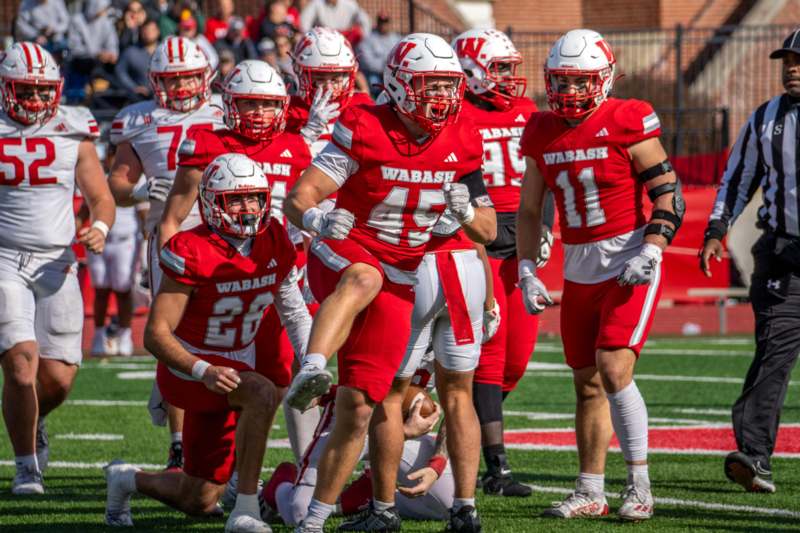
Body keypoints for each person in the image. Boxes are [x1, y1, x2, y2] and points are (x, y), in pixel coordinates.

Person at [284, 32, 497, 532]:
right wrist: (317, 222)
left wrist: (466, 211)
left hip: (401, 275)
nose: (441, 98)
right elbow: (300, 196)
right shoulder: (364, 124)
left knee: (361, 405)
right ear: (399, 86)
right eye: (429, 86)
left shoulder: (462, 135)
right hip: (344, 248)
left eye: (448, 86)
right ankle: (311, 366)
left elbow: (488, 230)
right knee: (363, 275)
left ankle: (315, 520)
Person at [517, 29, 683, 521]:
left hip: (630, 259)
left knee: (612, 368)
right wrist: (527, 268)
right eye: (562, 83)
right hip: (579, 266)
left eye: (580, 82)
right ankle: (590, 489)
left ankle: (639, 486)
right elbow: (530, 209)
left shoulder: (628, 119)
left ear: (605, 79)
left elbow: (668, 196)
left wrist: (652, 249)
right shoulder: (542, 129)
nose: (568, 93)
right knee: (586, 382)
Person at [104, 153, 312, 533]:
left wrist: (312, 361)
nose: (247, 207)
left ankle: (127, 479)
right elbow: (156, 334)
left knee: (198, 497)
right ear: (211, 202)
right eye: (236, 199)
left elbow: (294, 311)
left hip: (237, 363)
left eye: (254, 197)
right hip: (191, 368)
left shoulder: (275, 237)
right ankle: (246, 509)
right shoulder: (190, 249)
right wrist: (203, 370)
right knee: (262, 392)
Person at [158, 59, 313, 462]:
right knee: (213, 363)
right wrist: (167, 276)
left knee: (278, 377)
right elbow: (173, 218)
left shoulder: (295, 145)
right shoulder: (206, 142)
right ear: (228, 105)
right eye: (248, 104)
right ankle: (185, 429)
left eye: (266, 105)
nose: (258, 114)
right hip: (216, 267)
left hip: (275, 268)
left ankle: (251, 469)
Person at [0, 42, 115, 495]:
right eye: (24, 91)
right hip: (4, 257)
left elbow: (101, 195)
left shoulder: (74, 128)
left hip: (58, 260)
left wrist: (101, 226)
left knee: (60, 377)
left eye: (40, 91)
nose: (33, 101)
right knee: (22, 363)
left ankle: (33, 421)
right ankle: (27, 467)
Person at [108, 35, 225, 470]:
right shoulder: (137, 119)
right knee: (173, 336)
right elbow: (116, 183)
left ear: (206, 77)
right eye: (171, 81)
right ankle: (180, 444)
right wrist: (138, 188)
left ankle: (222, 437)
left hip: (225, 237)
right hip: (169, 239)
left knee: (228, 336)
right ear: (156, 82)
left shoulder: (224, 110)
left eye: (189, 79)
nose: (180, 90)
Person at [699, 28, 800, 495]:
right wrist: (716, 230)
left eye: (799, 60)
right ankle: (754, 455)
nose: (791, 68)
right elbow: (737, 179)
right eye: (787, 60)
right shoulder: (767, 118)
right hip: (784, 257)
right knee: (772, 357)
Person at [452, 28, 552, 497]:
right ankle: (497, 467)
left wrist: (546, 227)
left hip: (524, 234)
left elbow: (545, 176)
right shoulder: (456, 113)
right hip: (480, 233)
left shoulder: (530, 111)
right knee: (489, 353)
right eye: (499, 69)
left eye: (511, 68)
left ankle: (461, 427)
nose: (510, 78)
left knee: (516, 360)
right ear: (470, 71)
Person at [264, 365, 451, 527]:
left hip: (407, 425)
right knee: (300, 513)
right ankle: (282, 479)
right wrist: (326, 394)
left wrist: (438, 463)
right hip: (353, 419)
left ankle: (365, 493)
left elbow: (461, 403)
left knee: (446, 503)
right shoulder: (391, 325)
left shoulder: (450, 329)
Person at [87, 143, 145, 357]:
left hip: (125, 239)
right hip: (99, 237)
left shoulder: (134, 178)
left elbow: (143, 212)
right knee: (100, 288)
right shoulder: (96, 177)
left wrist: (147, 243)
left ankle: (124, 335)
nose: (107, 161)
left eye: (111, 156)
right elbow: (86, 207)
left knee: (123, 288)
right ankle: (100, 335)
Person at [286, 27, 372, 156]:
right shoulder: (288, 109)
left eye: (335, 79)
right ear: (300, 72)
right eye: (320, 78)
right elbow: (282, 160)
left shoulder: (362, 105)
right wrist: (306, 135)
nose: (328, 86)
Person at [115, 18, 161, 102]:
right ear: (140, 32)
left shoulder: (165, 51)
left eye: (152, 30)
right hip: (137, 99)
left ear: (158, 31)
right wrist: (133, 87)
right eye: (146, 30)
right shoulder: (130, 52)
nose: (149, 33)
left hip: (163, 98)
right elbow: (120, 71)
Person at [356, 12, 399, 98]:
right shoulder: (368, 39)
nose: (383, 25)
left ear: (389, 24)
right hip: (375, 72)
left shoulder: (396, 38)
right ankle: (375, 102)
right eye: (381, 23)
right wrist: (384, 67)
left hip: (392, 72)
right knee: (374, 83)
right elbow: (367, 61)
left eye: (386, 23)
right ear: (378, 23)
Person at [299, 0, 370, 46]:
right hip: (323, 40)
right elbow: (305, 21)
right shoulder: (316, 3)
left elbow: (364, 20)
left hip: (345, 39)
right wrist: (310, 38)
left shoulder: (350, 4)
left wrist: (364, 36)